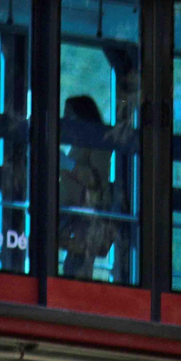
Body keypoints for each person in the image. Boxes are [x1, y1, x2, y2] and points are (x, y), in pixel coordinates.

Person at [58, 94, 116, 280]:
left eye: (70, 117)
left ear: (83, 116)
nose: (66, 122)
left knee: (79, 268)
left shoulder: (98, 140)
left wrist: (67, 164)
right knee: (71, 265)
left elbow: (96, 180)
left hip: (87, 216)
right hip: (70, 213)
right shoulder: (75, 144)